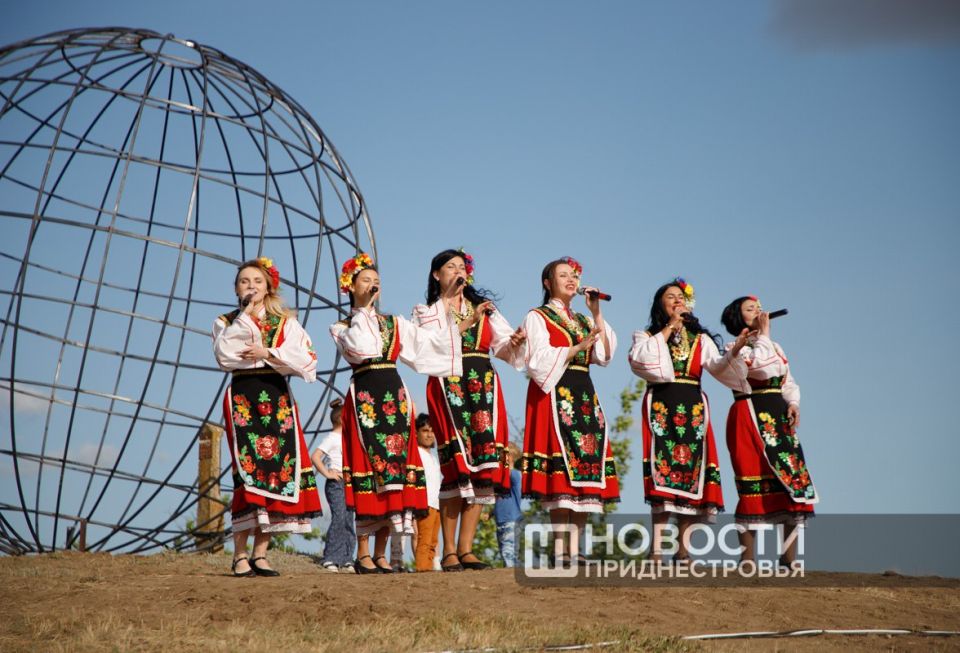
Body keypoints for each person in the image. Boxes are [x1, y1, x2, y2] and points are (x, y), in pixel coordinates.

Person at [329, 252, 457, 574]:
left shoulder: (395, 323)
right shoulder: (342, 326)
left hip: (395, 398)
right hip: (365, 398)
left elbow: (427, 347)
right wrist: (361, 310)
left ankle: (382, 553)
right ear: (351, 287)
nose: (373, 286)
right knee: (370, 471)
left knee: (394, 475)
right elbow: (362, 348)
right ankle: (362, 553)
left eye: (376, 282)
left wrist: (456, 321)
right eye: (365, 281)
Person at [411, 249, 525, 572]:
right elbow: (425, 348)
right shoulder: (427, 312)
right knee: (455, 466)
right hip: (449, 385)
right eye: (451, 267)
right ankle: (447, 550)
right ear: (437, 275)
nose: (458, 271)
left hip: (484, 384)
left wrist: (514, 341)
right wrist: (465, 326)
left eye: (462, 266)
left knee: (483, 466)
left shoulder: (483, 310)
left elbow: (502, 347)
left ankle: (466, 548)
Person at [213, 257, 321, 577]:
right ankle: (239, 555)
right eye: (245, 282)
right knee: (248, 472)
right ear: (236, 288)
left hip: (276, 397)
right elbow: (224, 356)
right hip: (243, 396)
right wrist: (244, 319)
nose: (251, 286)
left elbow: (307, 359)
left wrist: (269, 353)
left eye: (257, 281)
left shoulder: (285, 322)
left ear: (269, 286)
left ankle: (261, 553)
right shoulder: (226, 321)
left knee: (277, 471)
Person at [628, 278, 743, 561]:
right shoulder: (646, 336)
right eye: (670, 297)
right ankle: (656, 550)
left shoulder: (700, 339)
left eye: (681, 296)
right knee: (663, 472)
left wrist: (737, 349)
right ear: (660, 304)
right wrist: (670, 328)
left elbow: (718, 368)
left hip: (693, 408)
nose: (677, 300)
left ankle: (683, 551)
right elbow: (642, 361)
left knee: (692, 473)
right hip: (661, 406)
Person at [520, 256, 619, 567]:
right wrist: (574, 349)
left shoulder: (584, 319)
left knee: (586, 468)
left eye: (574, 275)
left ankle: (577, 548)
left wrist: (596, 311)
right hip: (555, 393)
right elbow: (537, 360)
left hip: (584, 395)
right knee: (561, 473)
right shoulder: (537, 317)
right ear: (547, 283)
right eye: (563, 275)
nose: (571, 280)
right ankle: (561, 549)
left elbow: (604, 354)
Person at [719, 295, 818, 565]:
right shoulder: (736, 347)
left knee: (790, 483)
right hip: (749, 414)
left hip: (777, 417)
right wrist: (763, 335)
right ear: (738, 317)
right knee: (751, 483)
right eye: (751, 309)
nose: (759, 312)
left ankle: (788, 557)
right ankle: (748, 559)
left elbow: (787, 378)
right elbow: (761, 369)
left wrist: (793, 402)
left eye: (759, 309)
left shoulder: (772, 345)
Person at [311, 398, 356, 573]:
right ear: (342, 419)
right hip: (336, 483)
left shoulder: (348, 439)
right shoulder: (332, 438)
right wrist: (328, 473)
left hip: (349, 483)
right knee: (339, 517)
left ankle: (347, 558)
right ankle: (331, 556)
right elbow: (315, 456)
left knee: (348, 518)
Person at [412, 414, 442, 571]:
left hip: (437, 503)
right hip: (424, 502)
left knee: (433, 541)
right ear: (416, 432)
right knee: (424, 539)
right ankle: (422, 570)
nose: (429, 434)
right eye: (425, 430)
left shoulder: (434, 456)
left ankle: (428, 570)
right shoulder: (415, 453)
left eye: (432, 430)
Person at [493, 442, 523, 568]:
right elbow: (499, 501)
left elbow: (511, 474)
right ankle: (512, 569)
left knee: (508, 550)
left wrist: (507, 466)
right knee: (505, 549)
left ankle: (510, 570)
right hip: (501, 520)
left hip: (511, 519)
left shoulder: (515, 474)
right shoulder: (502, 479)